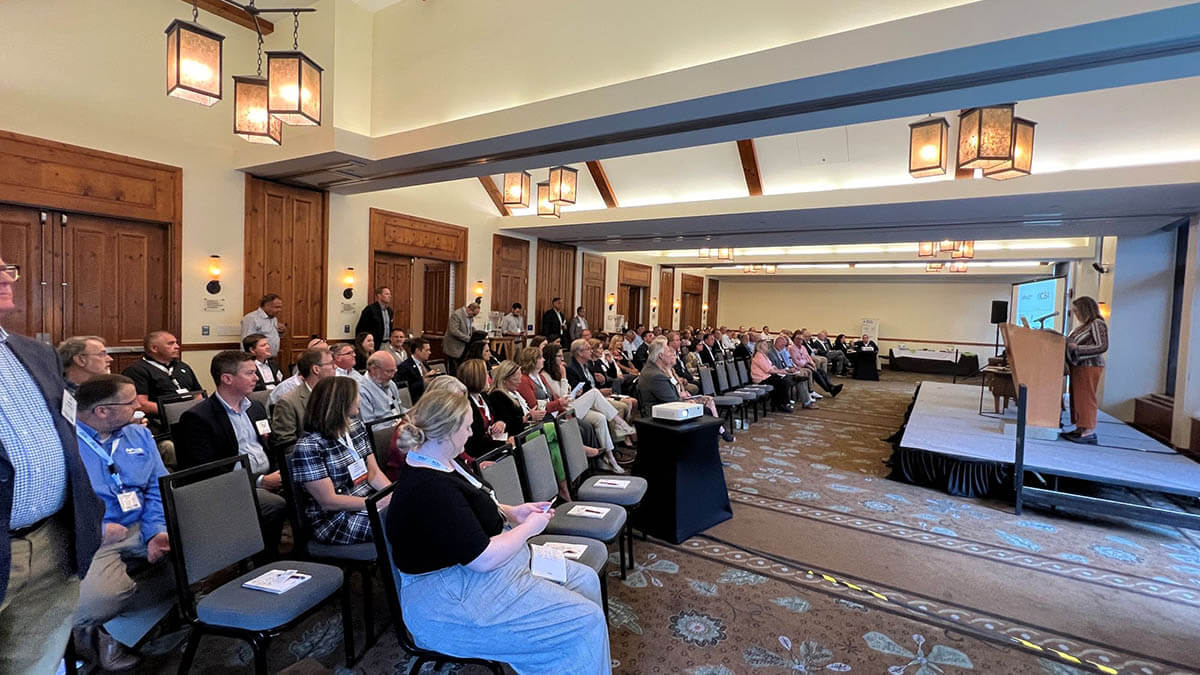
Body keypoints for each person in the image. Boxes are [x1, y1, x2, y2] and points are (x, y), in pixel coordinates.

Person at [384, 391, 610, 673]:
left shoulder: (441, 458)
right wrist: (528, 528)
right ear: (448, 431)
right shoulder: (429, 487)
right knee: (584, 623)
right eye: (467, 426)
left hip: (478, 571)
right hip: (451, 599)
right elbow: (483, 558)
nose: (471, 433)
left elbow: (474, 502)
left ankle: (583, 659)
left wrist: (513, 512)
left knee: (586, 580)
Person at [0, 257, 103, 673]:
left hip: (52, 543)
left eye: (8, 268)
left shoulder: (36, 353)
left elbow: (66, 435)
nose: (7, 278)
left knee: (35, 665)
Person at [72, 375, 174, 671]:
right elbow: (55, 505)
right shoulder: (63, 442)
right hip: (98, 535)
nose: (139, 406)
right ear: (102, 411)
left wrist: (157, 530)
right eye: (130, 402)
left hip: (142, 523)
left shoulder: (138, 435)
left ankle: (123, 631)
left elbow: (158, 486)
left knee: (200, 554)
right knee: (98, 601)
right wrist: (96, 530)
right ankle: (95, 633)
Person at [173, 350, 287, 554]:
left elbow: (272, 445)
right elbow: (205, 470)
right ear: (227, 379)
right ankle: (265, 560)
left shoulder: (256, 408)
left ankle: (306, 552)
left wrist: (280, 473)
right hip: (230, 486)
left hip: (270, 476)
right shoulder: (198, 418)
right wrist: (260, 481)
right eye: (250, 373)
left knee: (310, 485)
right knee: (274, 505)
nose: (256, 378)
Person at [290, 376, 392, 545]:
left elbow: (373, 473)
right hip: (336, 519)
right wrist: (374, 504)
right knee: (405, 524)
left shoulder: (356, 427)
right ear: (341, 403)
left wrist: (391, 496)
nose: (359, 399)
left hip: (368, 502)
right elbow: (329, 501)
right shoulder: (309, 445)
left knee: (416, 511)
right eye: (356, 395)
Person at [640, 339, 735, 442]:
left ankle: (713, 436)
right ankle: (708, 441)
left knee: (705, 404)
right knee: (705, 409)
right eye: (668, 351)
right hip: (660, 414)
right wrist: (692, 401)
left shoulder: (654, 369)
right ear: (661, 356)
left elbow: (671, 397)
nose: (673, 354)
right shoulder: (656, 375)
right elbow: (673, 402)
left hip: (664, 407)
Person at [122, 330, 203, 430]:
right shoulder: (136, 370)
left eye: (176, 342)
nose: (177, 346)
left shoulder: (183, 366)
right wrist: (176, 411)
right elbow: (140, 404)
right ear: (154, 348)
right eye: (171, 343)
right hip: (159, 421)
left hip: (189, 418)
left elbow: (197, 394)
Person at [271, 348, 335, 456]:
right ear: (316, 369)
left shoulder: (334, 393)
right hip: (309, 458)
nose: (335, 367)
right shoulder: (288, 402)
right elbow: (288, 445)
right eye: (331, 363)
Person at [1063, 296, 1109, 445]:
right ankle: (1079, 427)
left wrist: (1078, 348)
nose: (1075, 314)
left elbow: (1102, 346)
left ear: (1085, 309)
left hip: (1090, 365)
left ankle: (1088, 431)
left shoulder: (1097, 323)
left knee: (1086, 397)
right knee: (1077, 398)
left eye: (1077, 311)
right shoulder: (1081, 327)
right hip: (1078, 365)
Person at [455, 359, 509, 461]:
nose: (489, 378)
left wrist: (500, 422)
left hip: (492, 446)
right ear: (477, 378)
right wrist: (504, 444)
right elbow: (475, 443)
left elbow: (498, 415)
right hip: (481, 455)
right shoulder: (466, 404)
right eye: (486, 375)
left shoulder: (483, 395)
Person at [751, 340, 800, 412]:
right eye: (764, 345)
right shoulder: (759, 356)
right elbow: (768, 370)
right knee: (782, 381)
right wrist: (781, 371)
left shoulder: (763, 355)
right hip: (760, 379)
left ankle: (779, 402)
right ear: (760, 347)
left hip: (767, 376)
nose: (767, 346)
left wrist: (781, 370)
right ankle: (783, 404)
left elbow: (772, 366)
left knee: (784, 379)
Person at [360, 350, 405, 423]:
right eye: (388, 371)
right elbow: (370, 425)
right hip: (383, 431)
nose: (392, 375)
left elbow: (400, 409)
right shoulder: (361, 391)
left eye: (394, 371)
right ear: (374, 370)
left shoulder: (391, 383)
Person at [396, 337, 439, 403]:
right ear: (418, 351)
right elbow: (406, 390)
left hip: (430, 396)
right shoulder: (405, 367)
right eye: (427, 350)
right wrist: (423, 381)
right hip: (417, 401)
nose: (430, 353)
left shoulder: (424, 363)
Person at [240, 293, 285, 358]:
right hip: (256, 359)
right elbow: (246, 342)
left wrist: (281, 332)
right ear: (267, 305)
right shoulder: (251, 318)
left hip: (271, 358)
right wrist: (249, 360)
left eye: (280, 307)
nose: (279, 310)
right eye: (277, 307)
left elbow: (273, 336)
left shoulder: (274, 318)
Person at [443, 302, 480, 375]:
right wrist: (468, 338)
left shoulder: (470, 317)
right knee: (454, 370)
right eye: (473, 314)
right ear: (469, 309)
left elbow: (469, 328)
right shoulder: (457, 315)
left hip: (463, 347)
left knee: (461, 369)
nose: (473, 317)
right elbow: (453, 331)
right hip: (454, 347)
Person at [354, 286, 394, 351]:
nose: (390, 296)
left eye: (390, 294)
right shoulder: (370, 310)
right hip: (374, 344)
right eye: (387, 294)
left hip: (387, 343)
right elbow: (361, 329)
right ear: (379, 296)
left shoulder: (389, 311)